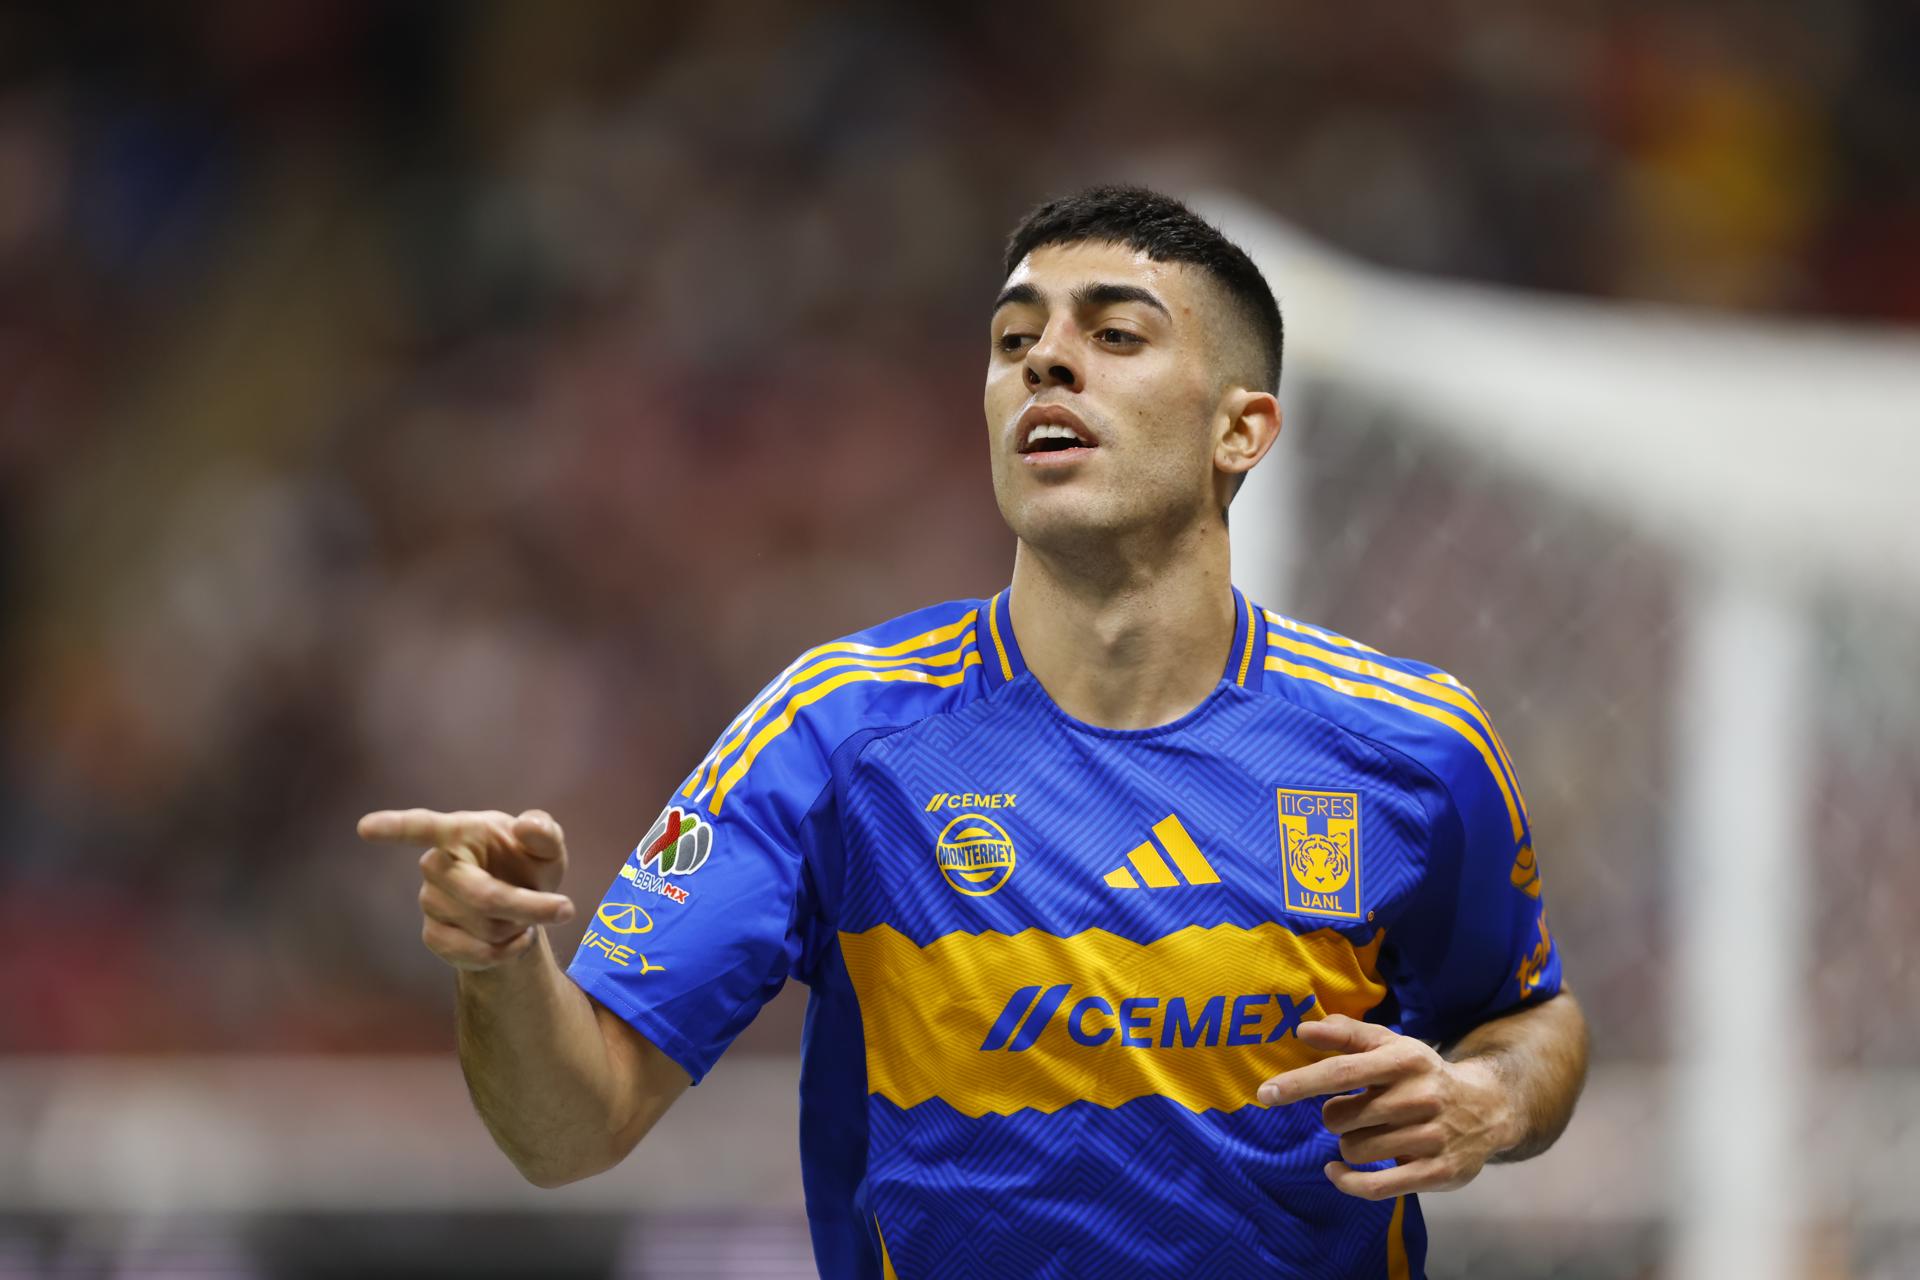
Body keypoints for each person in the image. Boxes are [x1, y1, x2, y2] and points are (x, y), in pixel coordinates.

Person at [359, 185, 1588, 1279]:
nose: (1047, 363)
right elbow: (572, 1129)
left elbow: (1534, 1014)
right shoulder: (837, 734)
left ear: (1242, 430)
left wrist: (1486, 1096)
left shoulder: (1411, 745)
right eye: (1015, 341)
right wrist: (501, 966)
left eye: (1113, 334)